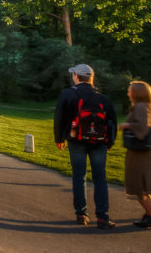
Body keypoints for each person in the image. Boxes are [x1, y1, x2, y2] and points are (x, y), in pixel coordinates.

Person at [54, 63, 118, 229]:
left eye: (73, 74)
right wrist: (109, 142)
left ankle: (81, 214)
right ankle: (103, 217)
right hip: (99, 143)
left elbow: (60, 117)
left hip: (76, 140)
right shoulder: (103, 98)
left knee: (79, 176)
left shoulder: (68, 94)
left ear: (76, 76)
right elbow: (112, 122)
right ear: (91, 78)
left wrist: (59, 137)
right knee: (100, 178)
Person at [118, 80, 151, 229]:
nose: (128, 93)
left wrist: (126, 125)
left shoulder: (140, 107)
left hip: (142, 152)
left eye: (130, 90)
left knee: (138, 185)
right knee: (148, 184)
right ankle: (150, 214)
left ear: (137, 93)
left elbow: (143, 128)